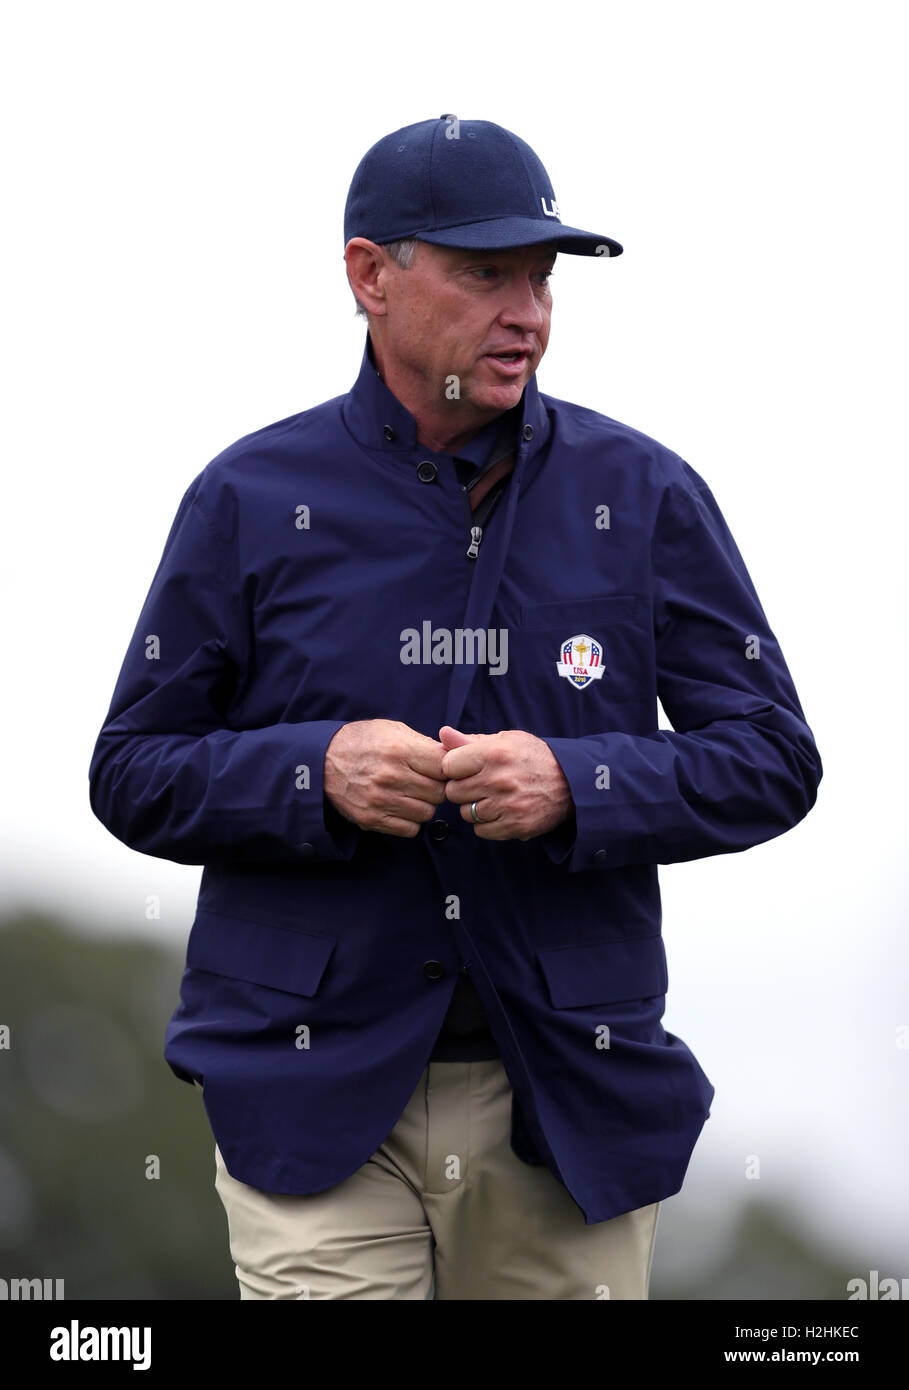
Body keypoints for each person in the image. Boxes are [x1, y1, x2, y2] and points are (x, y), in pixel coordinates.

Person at [88, 115, 823, 1300]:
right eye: (487, 273)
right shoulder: (246, 496)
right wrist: (311, 769)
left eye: (541, 277)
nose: (528, 309)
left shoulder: (646, 494)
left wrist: (577, 784)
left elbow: (775, 757)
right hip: (310, 1101)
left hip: (569, 1105)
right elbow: (131, 769)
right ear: (370, 276)